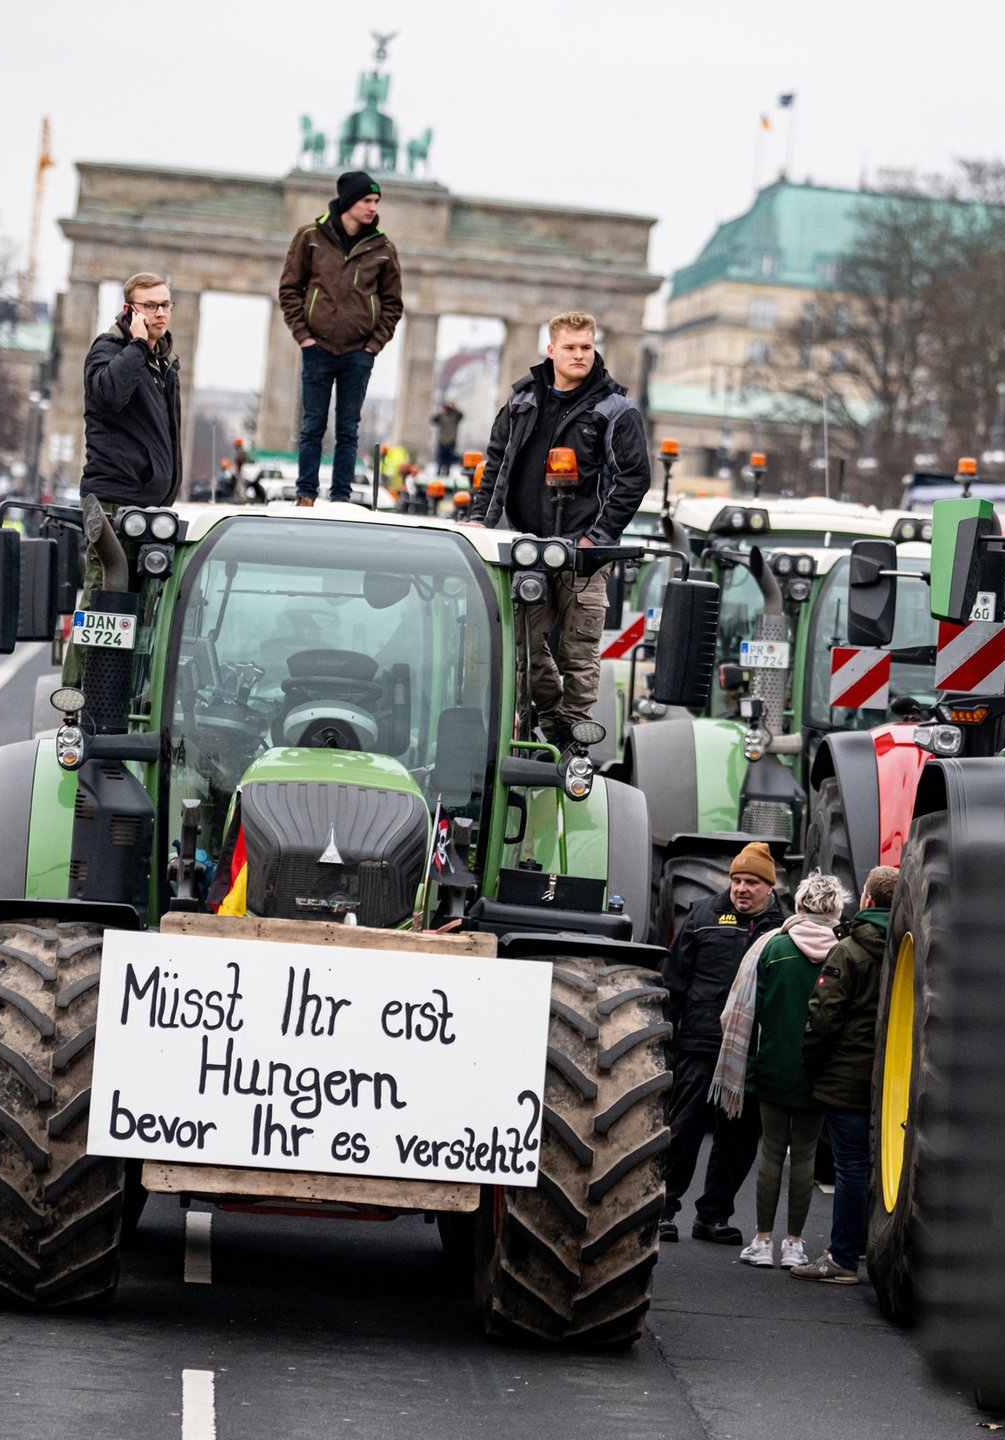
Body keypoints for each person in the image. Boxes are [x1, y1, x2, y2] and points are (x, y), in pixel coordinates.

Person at [466, 310, 650, 749]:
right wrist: (479, 522)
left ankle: (573, 739)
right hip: (525, 547)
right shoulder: (521, 401)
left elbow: (633, 478)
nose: (580, 355)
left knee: (579, 654)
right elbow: (497, 466)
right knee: (524, 651)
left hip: (584, 555)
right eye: (570, 347)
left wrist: (597, 538)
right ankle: (553, 720)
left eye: (586, 347)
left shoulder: (616, 410)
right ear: (551, 350)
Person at [711, 872, 848, 1269]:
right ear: (835, 910)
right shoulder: (842, 954)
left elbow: (749, 1012)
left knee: (771, 1153)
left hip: (771, 1067)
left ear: (801, 906)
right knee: (804, 1157)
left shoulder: (772, 949)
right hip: (820, 1073)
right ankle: (795, 1244)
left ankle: (762, 1240)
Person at [660, 841, 786, 1245]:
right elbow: (674, 981)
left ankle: (713, 1216)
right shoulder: (703, 916)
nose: (741, 888)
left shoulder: (783, 929)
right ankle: (662, 1208)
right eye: (736, 880)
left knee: (738, 1139)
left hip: (750, 1051)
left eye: (751, 882)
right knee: (682, 1130)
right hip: (700, 1042)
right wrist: (667, 1039)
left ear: (770, 887)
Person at [64, 272, 183, 683]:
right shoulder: (110, 349)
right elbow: (109, 394)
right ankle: (79, 697)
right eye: (151, 306)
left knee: (142, 605)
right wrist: (135, 344)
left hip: (149, 502)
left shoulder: (161, 362)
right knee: (104, 599)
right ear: (130, 310)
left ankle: (125, 687)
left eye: (166, 304)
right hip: (115, 499)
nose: (161, 313)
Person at [791, 865, 898, 1284]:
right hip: (891, 1079)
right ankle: (873, 1249)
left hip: (847, 1074)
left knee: (850, 1166)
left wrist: (810, 1062)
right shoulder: (910, 945)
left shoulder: (849, 950)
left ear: (868, 900)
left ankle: (841, 1259)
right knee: (880, 1168)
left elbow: (824, 1016)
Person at [278, 170, 403, 505]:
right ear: (348, 202)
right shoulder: (310, 237)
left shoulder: (383, 248)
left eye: (376, 201)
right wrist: (303, 335)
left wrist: (373, 346)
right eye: (367, 200)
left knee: (348, 430)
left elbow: (393, 303)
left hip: (357, 353)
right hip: (317, 347)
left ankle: (341, 498)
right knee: (312, 425)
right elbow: (290, 288)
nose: (373, 207)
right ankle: (306, 493)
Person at [431, 400, 464, 475]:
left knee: (448, 462)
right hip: (442, 442)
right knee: (440, 461)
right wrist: (441, 411)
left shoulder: (455, 416)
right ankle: (438, 474)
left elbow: (461, 415)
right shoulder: (442, 416)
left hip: (451, 442)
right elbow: (433, 420)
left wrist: (454, 408)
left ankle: (446, 473)